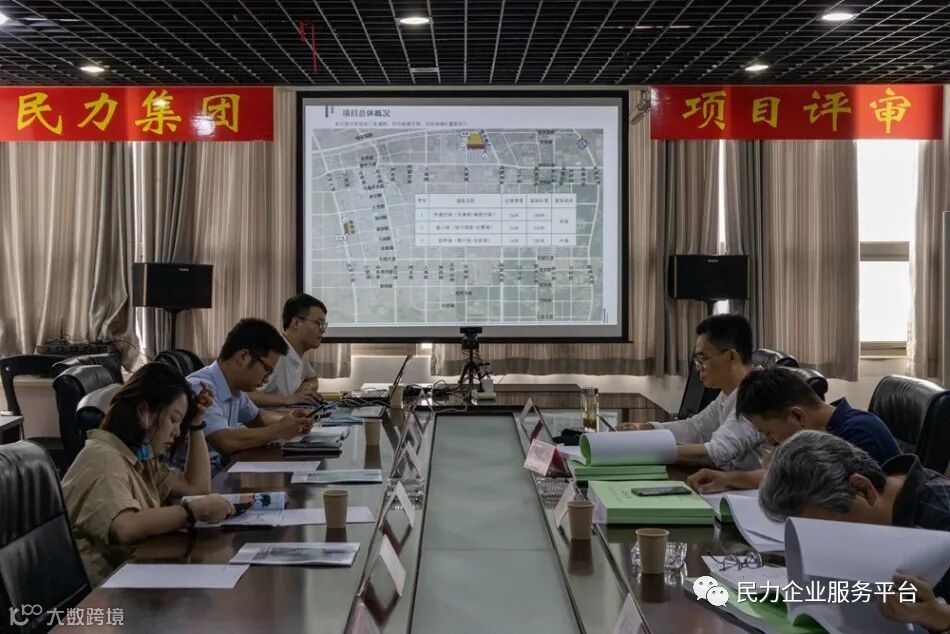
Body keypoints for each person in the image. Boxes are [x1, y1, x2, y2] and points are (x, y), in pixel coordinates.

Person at [61, 363, 236, 586]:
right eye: (173, 419)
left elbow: (196, 487)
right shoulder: (102, 458)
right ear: (144, 411)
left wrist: (196, 424)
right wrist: (193, 511)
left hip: (133, 577)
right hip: (105, 594)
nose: (176, 432)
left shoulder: (139, 458)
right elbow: (127, 528)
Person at [760, 431, 950, 632]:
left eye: (831, 535)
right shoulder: (881, 505)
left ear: (862, 489)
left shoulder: (941, 514)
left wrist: (937, 615)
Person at [687, 366, 900, 493]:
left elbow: (837, 506)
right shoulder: (827, 428)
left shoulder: (857, 436)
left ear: (797, 416)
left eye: (769, 432)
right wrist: (728, 479)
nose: (770, 442)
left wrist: (781, 471)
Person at [619, 314, 767, 470]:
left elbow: (715, 453)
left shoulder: (758, 394)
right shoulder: (732, 392)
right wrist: (644, 428)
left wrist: (645, 451)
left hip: (750, 485)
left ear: (730, 357)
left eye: (702, 359)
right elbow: (695, 428)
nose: (698, 368)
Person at [174, 318, 315, 473]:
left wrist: (292, 420)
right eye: (267, 369)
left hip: (221, 474)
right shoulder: (201, 387)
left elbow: (257, 417)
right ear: (243, 357)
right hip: (199, 481)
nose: (266, 379)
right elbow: (224, 440)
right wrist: (279, 430)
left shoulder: (234, 389)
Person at [250, 294, 327, 408]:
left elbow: (312, 379)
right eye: (319, 324)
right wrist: (287, 400)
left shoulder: (298, 352)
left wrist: (304, 392)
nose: (323, 330)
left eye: (324, 325)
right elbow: (242, 394)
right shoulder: (272, 352)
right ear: (296, 323)